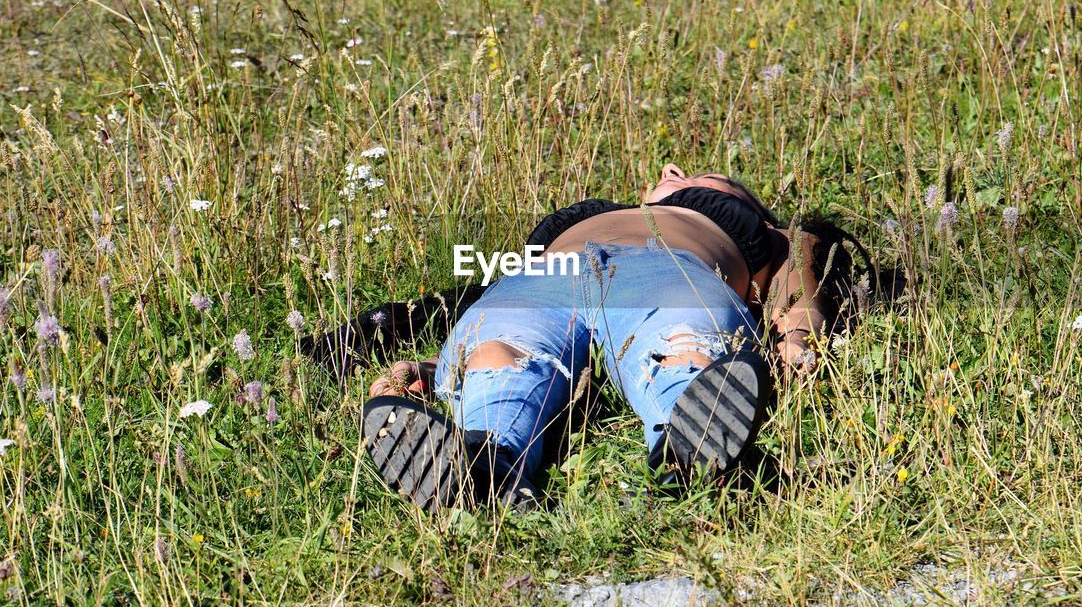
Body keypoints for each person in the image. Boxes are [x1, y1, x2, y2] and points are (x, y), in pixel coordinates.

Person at [361, 164, 869, 511]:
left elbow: (806, 285)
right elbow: (472, 294)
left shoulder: (771, 235)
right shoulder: (584, 221)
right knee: (497, 354)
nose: (673, 172)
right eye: (672, 174)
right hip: (542, 278)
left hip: (669, 269)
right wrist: (428, 366)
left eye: (712, 179)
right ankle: (486, 464)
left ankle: (687, 449)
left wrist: (798, 341)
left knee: (686, 346)